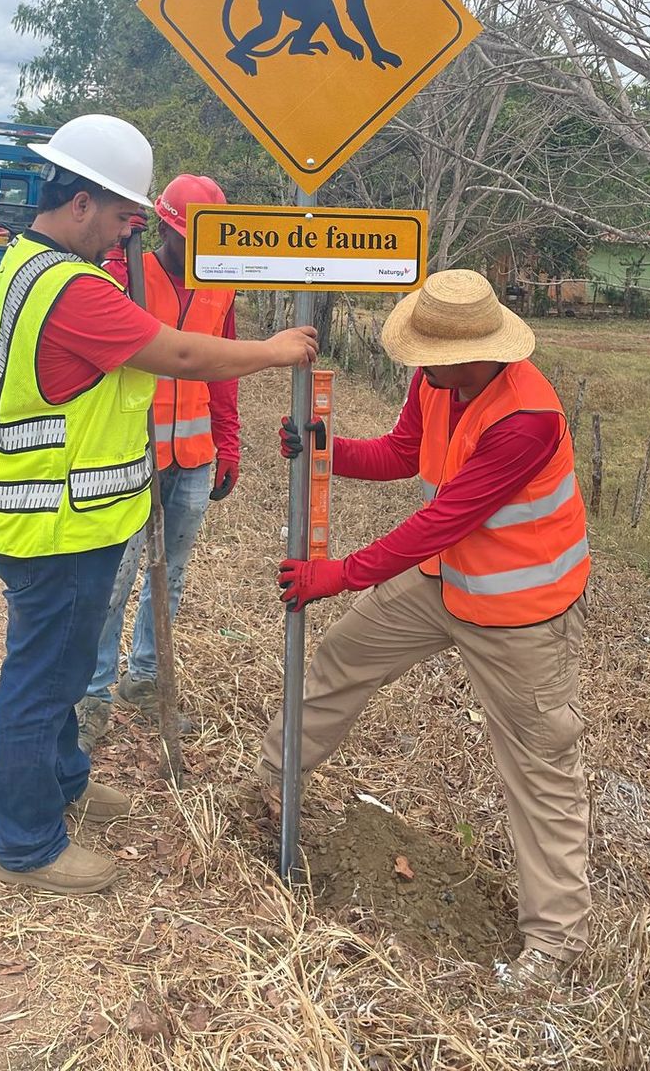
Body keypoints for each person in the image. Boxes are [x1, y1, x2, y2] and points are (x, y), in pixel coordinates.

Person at [0, 114, 317, 897]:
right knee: (41, 682)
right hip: (53, 520)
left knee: (58, 672)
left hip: (62, 515)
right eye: (125, 217)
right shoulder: (72, 289)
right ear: (82, 203)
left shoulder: (32, 263)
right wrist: (276, 351)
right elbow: (182, 354)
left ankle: (65, 782)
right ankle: (27, 844)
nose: (128, 235)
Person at [266, 269, 590, 988]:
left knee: (541, 772)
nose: (417, 368)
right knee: (341, 657)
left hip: (521, 617)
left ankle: (554, 946)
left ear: (477, 351)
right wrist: (328, 446)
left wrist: (341, 572)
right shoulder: (436, 383)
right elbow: (403, 454)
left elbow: (442, 517)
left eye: (429, 359)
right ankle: (269, 787)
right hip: (445, 580)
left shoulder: (526, 419)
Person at [76, 173, 239, 751]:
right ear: (166, 228)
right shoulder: (124, 273)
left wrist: (229, 440)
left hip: (192, 455)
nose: (204, 253)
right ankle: (93, 692)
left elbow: (223, 366)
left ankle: (144, 678)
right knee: (115, 576)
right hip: (132, 451)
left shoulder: (222, 284)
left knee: (170, 573)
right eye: (195, 238)